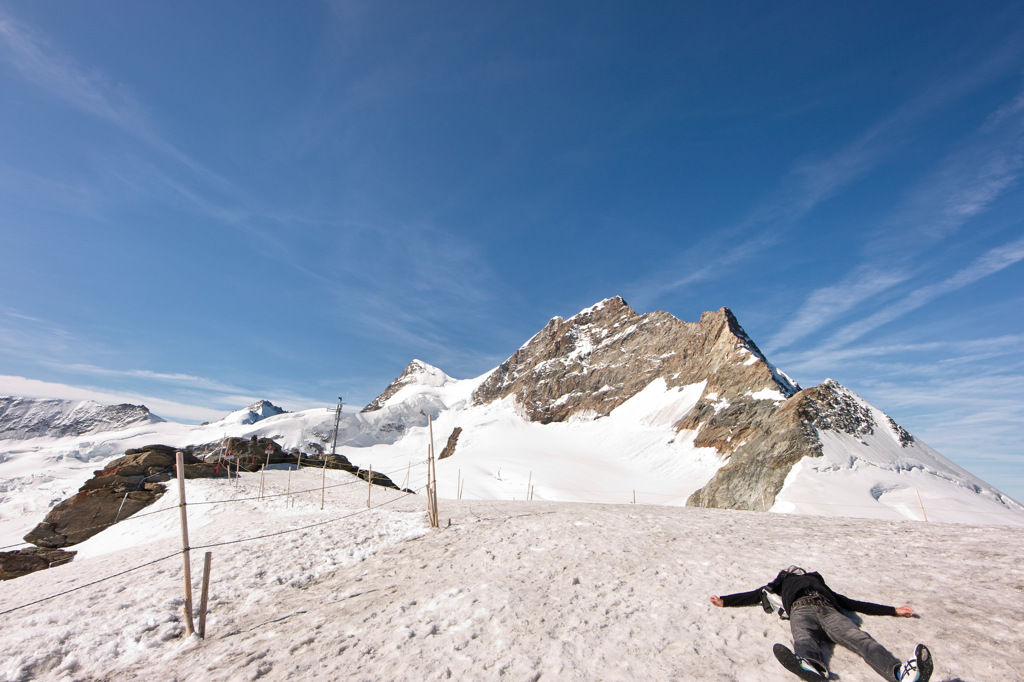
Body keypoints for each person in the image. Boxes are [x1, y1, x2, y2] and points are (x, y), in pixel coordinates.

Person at [710, 566, 932, 682]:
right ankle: (812, 666)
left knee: (860, 639)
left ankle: (900, 674)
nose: (795, 571)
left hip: (828, 609)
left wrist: (893, 610)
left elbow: (854, 603)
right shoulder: (779, 584)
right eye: (790, 570)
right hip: (800, 608)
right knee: (804, 638)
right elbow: (755, 595)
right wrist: (725, 601)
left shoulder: (820, 584)